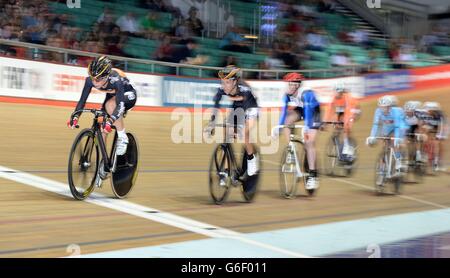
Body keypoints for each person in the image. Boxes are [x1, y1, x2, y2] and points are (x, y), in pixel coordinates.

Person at [67, 56, 137, 158]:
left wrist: (111, 120)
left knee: (110, 105)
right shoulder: (89, 81)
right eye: (92, 77)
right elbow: (82, 100)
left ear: (106, 77)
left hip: (128, 94)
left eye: (98, 79)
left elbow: (120, 105)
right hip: (112, 95)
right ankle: (104, 163)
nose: (94, 82)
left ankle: (122, 137)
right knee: (101, 126)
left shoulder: (116, 80)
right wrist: (75, 117)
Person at [206, 65, 259, 176]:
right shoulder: (222, 89)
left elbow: (245, 112)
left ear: (235, 82)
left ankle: (251, 159)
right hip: (237, 106)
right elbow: (216, 107)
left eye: (227, 82)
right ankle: (226, 169)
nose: (224, 86)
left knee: (244, 133)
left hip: (250, 107)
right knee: (227, 133)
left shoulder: (246, 91)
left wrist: (238, 128)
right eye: (222, 82)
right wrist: (212, 123)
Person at [276, 72, 321, 190]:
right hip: (301, 109)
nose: (287, 87)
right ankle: (290, 149)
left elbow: (308, 112)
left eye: (289, 84)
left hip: (313, 113)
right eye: (287, 84)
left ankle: (312, 175)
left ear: (296, 85)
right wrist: (278, 128)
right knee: (287, 120)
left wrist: (307, 127)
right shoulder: (287, 94)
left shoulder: (306, 94)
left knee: (309, 142)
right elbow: (284, 112)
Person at [366, 95, 407, 182]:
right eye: (381, 107)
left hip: (399, 127)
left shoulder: (395, 112)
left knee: (394, 142)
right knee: (384, 148)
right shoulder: (378, 111)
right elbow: (376, 125)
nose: (383, 109)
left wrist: (396, 139)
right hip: (387, 128)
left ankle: (398, 162)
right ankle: (382, 171)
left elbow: (397, 127)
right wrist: (372, 136)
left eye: (385, 107)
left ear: (389, 107)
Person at [324, 83, 361, 160]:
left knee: (346, 128)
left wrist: (345, 123)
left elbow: (349, 113)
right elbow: (329, 110)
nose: (337, 94)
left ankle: (348, 149)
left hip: (353, 111)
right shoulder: (334, 98)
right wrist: (325, 122)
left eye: (340, 93)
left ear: (342, 93)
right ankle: (340, 145)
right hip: (342, 112)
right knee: (337, 124)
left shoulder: (347, 98)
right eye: (336, 92)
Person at [420, 101, 448, 171]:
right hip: (431, 124)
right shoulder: (424, 113)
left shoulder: (440, 115)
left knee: (440, 142)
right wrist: (424, 134)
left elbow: (441, 128)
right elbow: (422, 124)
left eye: (429, 111)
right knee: (424, 137)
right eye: (426, 111)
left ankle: (440, 161)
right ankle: (426, 154)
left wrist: (438, 137)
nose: (427, 112)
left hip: (442, 125)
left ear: (434, 110)